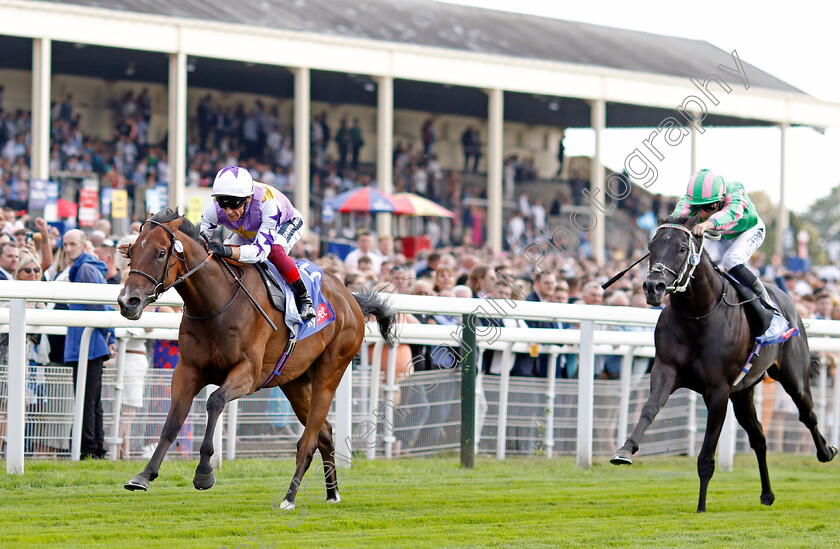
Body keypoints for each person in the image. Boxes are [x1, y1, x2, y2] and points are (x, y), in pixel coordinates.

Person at [199, 166, 315, 320]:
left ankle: (304, 297)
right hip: (249, 229)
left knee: (275, 250)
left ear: (248, 198)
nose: (227, 211)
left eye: (234, 204)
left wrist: (226, 250)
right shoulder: (214, 209)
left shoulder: (269, 204)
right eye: (222, 203)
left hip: (285, 223)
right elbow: (199, 242)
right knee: (225, 256)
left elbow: (260, 253)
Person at [672, 169, 774, 318]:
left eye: (709, 207)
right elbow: (676, 217)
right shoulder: (688, 200)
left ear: (720, 199)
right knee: (704, 262)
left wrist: (706, 225)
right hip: (722, 235)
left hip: (748, 230)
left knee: (731, 260)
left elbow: (731, 214)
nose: (703, 214)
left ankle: (766, 303)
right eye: (698, 208)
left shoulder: (736, 190)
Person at [62, 229, 117, 460]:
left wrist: (108, 335)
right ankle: (95, 448)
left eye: (72, 244)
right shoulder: (83, 268)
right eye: (64, 245)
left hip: (90, 343)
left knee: (87, 399)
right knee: (91, 399)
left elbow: (97, 306)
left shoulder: (84, 269)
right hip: (89, 342)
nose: (67, 249)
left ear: (84, 246)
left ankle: (90, 450)